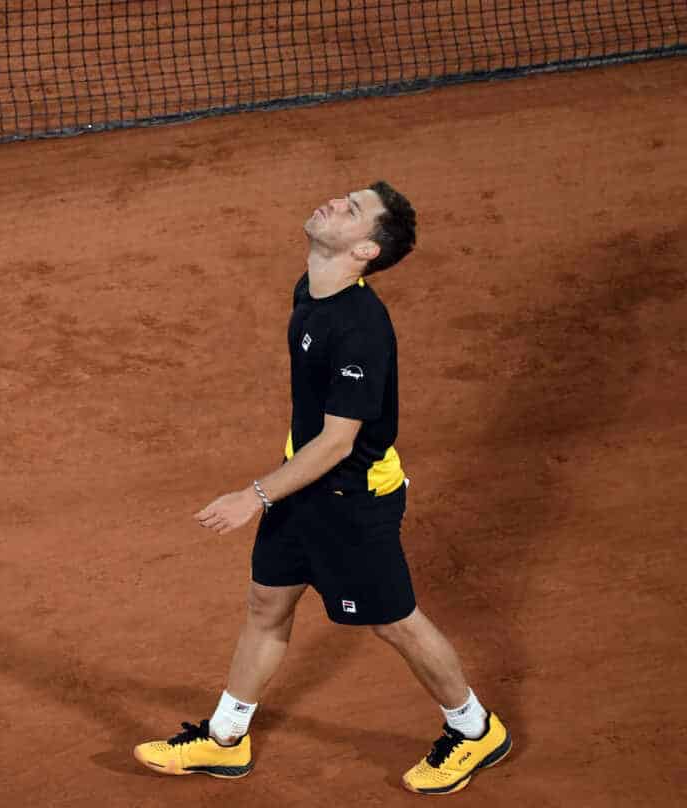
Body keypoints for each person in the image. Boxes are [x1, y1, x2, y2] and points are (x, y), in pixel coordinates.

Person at [132, 182, 511, 795]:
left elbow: (338, 443)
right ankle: (226, 739)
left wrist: (251, 497)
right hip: (301, 487)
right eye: (345, 196)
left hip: (351, 502)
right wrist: (278, 489)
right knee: (267, 605)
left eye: (352, 210)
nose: (335, 202)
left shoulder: (361, 330)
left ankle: (474, 730)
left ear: (365, 250)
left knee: (395, 623)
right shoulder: (310, 290)